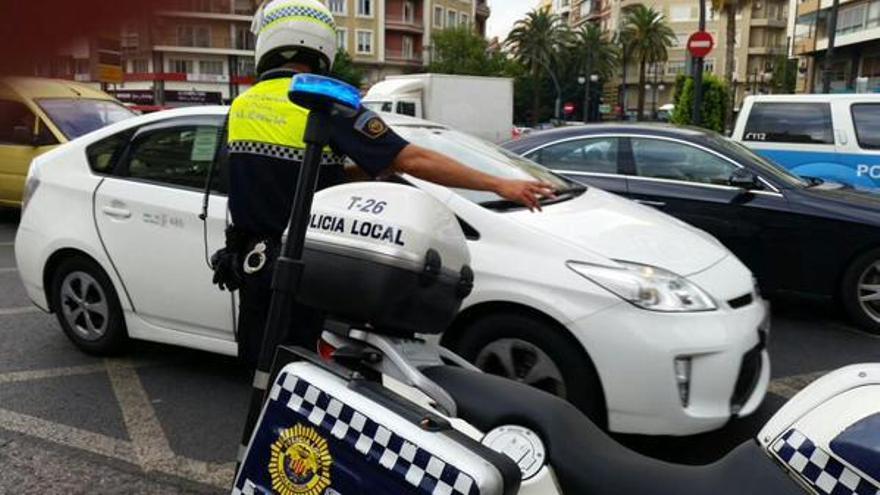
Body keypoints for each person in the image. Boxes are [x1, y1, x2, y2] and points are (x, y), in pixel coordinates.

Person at [211, 0, 554, 368]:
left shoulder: (242, 106)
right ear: (324, 44)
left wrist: (365, 172)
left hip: (251, 267)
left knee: (262, 373)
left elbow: (275, 177)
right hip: (306, 270)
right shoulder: (324, 102)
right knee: (306, 378)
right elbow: (411, 158)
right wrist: (499, 184)